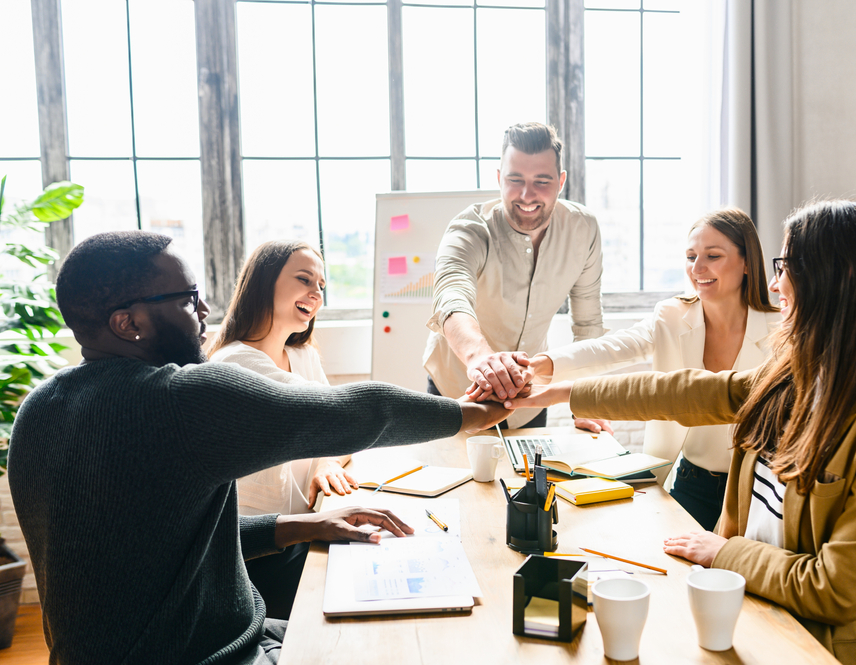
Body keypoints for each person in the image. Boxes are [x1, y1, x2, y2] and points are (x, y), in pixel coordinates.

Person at [6, 231, 505, 665]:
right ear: (128, 323)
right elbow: (358, 411)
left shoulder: (38, 410)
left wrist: (301, 525)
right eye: (187, 298)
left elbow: (157, 537)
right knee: (403, 641)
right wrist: (473, 412)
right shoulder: (180, 398)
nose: (204, 310)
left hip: (164, 647)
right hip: (212, 655)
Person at [504, 200, 856, 664]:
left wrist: (723, 552)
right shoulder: (791, 374)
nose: (777, 283)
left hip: (828, 648)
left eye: (787, 266)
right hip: (758, 614)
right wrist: (557, 393)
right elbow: (681, 393)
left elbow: (836, 588)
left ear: (843, 278)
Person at [521, 208, 781, 529]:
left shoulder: (780, 328)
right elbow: (613, 348)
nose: (697, 268)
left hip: (754, 490)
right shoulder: (671, 315)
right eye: (690, 256)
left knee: (734, 576)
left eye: (713, 256)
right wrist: (539, 365)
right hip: (691, 482)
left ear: (746, 262)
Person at [206, 240, 355, 620]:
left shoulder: (303, 356)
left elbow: (340, 433)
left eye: (320, 285)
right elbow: (343, 418)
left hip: (304, 531)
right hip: (257, 556)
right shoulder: (235, 364)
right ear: (263, 283)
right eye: (304, 279)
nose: (315, 293)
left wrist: (325, 463)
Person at [423, 121, 605, 429]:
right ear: (499, 178)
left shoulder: (583, 229)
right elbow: (451, 297)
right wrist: (482, 359)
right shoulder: (469, 229)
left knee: (531, 477)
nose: (527, 194)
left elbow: (587, 325)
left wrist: (587, 400)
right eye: (515, 179)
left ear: (561, 181)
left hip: (528, 398)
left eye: (542, 181)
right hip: (459, 391)